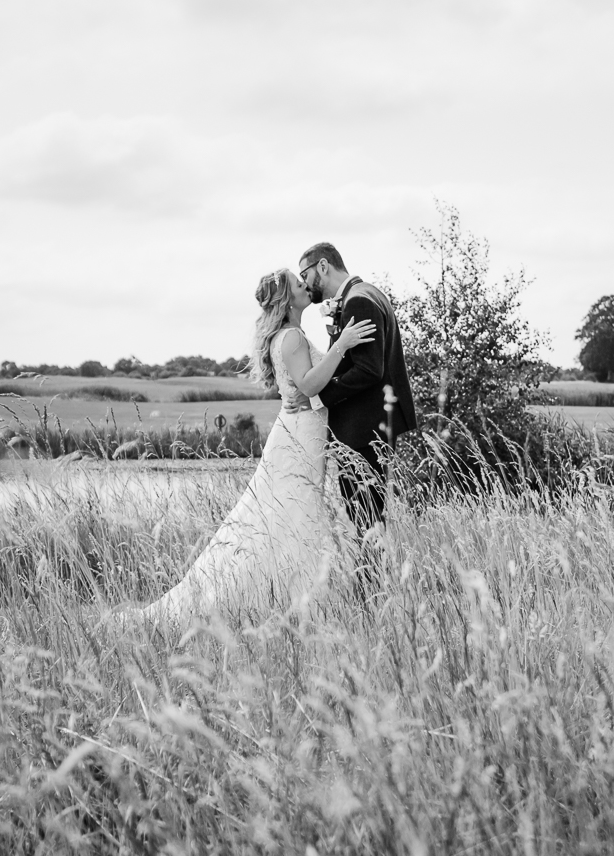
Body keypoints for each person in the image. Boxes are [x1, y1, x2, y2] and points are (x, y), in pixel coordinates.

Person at [135, 269, 375, 624]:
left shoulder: (291, 334)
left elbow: (310, 379)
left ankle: (297, 594)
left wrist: (332, 342)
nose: (305, 287)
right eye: (298, 284)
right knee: (294, 513)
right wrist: (342, 345)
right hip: (300, 434)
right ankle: (295, 597)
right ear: (286, 299)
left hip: (301, 430)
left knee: (291, 514)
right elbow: (309, 386)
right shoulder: (291, 337)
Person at [292, 242, 417, 531]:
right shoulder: (365, 293)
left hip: (362, 433)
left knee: (366, 521)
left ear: (323, 266)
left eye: (305, 274)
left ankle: (371, 578)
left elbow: (369, 369)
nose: (304, 283)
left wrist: (321, 396)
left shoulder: (357, 301)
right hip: (369, 429)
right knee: (368, 522)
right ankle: (372, 577)